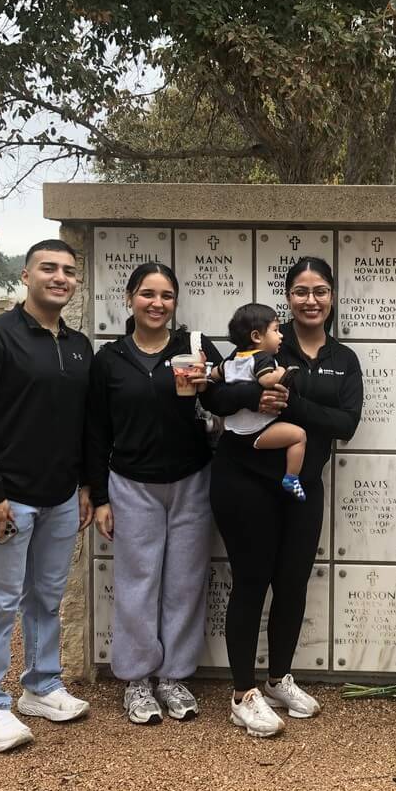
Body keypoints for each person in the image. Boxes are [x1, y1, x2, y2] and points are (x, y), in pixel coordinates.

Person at [202, 257, 363, 738]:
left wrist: (293, 404)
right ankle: (242, 693)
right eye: (300, 291)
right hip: (244, 480)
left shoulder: (343, 360)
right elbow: (213, 399)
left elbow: (346, 424)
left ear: (332, 297)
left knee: (292, 583)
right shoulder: (265, 343)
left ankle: (277, 679)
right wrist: (253, 396)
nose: (310, 300)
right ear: (287, 298)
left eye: (319, 291)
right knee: (251, 582)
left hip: (301, 486)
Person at [0, 239, 93, 753]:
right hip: (7, 497)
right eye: (49, 268)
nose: (60, 277)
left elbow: (81, 424)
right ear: (25, 275)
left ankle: (41, 685)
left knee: (46, 597)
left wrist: (83, 486)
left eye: (69, 271)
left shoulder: (78, 346)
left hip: (60, 496)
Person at [85, 262, 223, 725]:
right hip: (132, 484)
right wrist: (100, 496)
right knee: (137, 582)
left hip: (191, 480)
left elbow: (230, 396)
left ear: (176, 302)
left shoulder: (195, 349)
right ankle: (138, 679)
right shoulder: (110, 360)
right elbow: (96, 432)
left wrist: (214, 383)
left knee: (185, 581)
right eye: (147, 294)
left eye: (166, 295)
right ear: (129, 298)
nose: (157, 303)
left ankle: (174, 676)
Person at [209, 302, 308, 501]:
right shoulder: (262, 359)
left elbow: (213, 374)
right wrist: (282, 372)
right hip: (257, 431)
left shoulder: (232, 360)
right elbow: (266, 380)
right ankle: (292, 477)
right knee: (299, 436)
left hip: (233, 429)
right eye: (276, 330)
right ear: (256, 336)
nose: (281, 336)